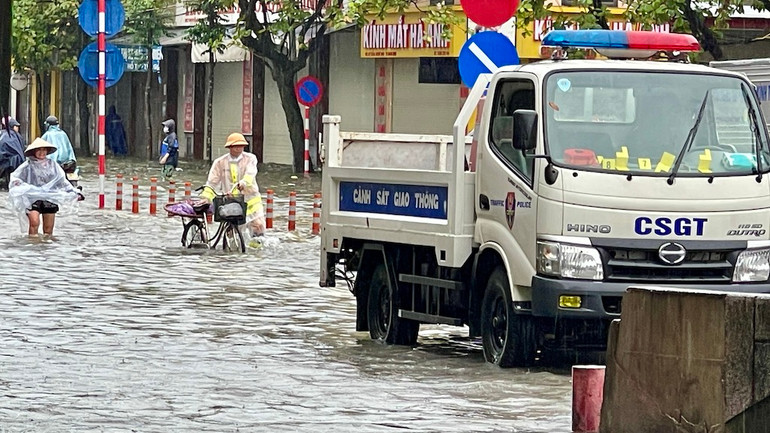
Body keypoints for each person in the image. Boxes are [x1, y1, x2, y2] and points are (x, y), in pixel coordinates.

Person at [7, 137, 83, 236]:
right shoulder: (27, 166)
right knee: (34, 223)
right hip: (31, 199)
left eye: (44, 150)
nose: (42, 152)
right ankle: (33, 245)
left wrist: (74, 192)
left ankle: (47, 248)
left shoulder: (53, 165)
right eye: (39, 149)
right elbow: (15, 178)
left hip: (49, 198)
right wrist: (18, 184)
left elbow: (62, 181)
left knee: (48, 230)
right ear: (34, 151)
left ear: (47, 151)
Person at [200, 132, 266, 237]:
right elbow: (212, 182)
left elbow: (250, 173)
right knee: (231, 231)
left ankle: (255, 250)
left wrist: (244, 183)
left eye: (241, 146)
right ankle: (232, 250)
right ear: (230, 147)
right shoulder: (220, 162)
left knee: (257, 226)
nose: (239, 148)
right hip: (230, 200)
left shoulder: (250, 159)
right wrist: (206, 198)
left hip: (251, 200)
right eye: (236, 146)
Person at [0, 116, 27, 186]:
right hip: (11, 162)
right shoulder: (12, 135)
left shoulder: (5, 134)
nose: (17, 128)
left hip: (7, 161)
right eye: (16, 126)